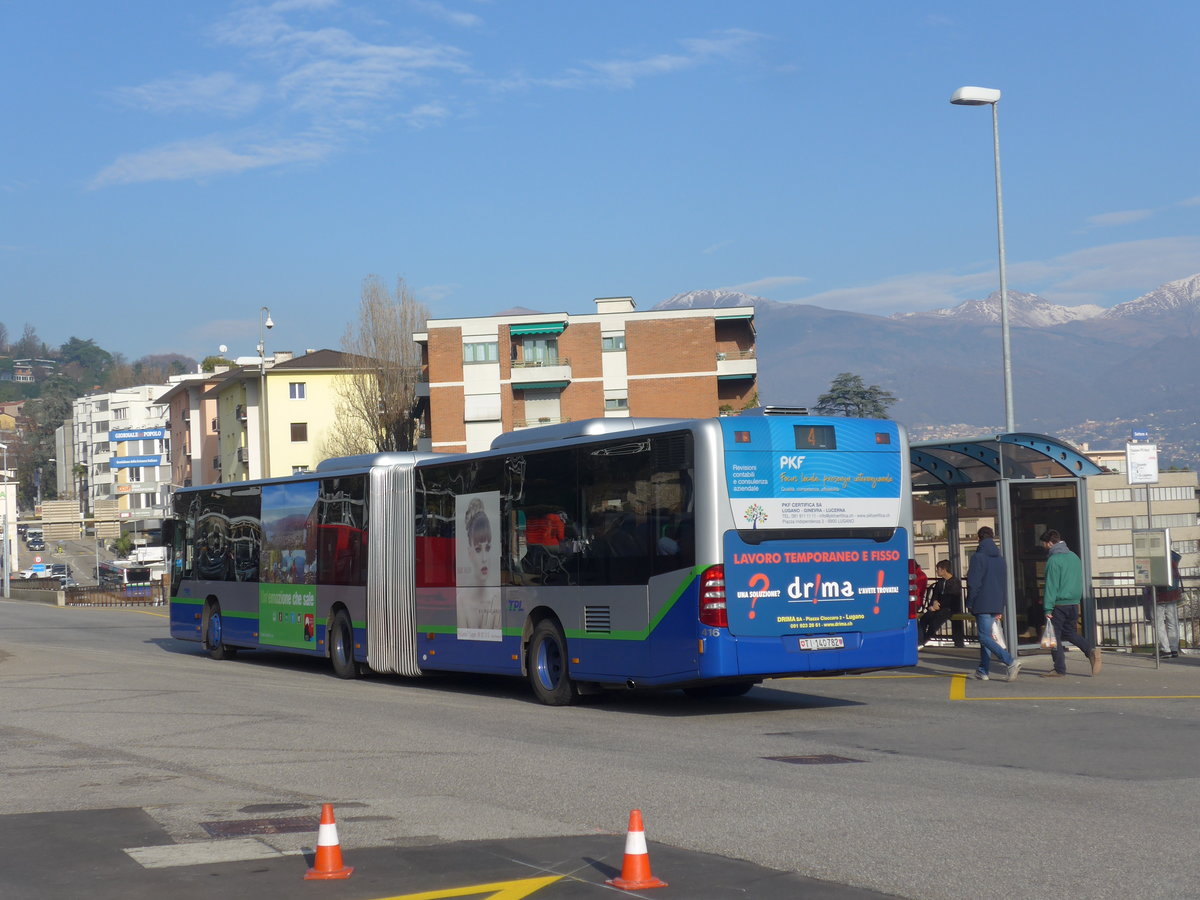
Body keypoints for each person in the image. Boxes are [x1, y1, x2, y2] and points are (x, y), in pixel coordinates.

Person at [1039, 528, 1101, 677]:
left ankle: (1059, 668)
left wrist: (1047, 608)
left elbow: (1051, 586)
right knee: (1070, 632)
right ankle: (1090, 650)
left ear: (1049, 543)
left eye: (1044, 544)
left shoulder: (1054, 560)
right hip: (1073, 602)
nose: (1044, 547)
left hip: (1059, 604)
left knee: (1054, 637)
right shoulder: (1074, 557)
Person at [966, 526, 1020, 681]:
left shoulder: (978, 557)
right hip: (996, 602)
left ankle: (1010, 661)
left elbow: (974, 583)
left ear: (979, 538)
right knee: (987, 637)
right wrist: (1001, 604)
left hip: (982, 602)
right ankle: (983, 670)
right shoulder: (1000, 559)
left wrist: (970, 601)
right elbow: (1003, 583)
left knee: (984, 637)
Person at [1146, 550, 1183, 659]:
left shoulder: (1155, 557)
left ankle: (1165, 649)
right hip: (1172, 593)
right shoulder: (1174, 558)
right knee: (1172, 621)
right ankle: (1174, 649)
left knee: (1158, 622)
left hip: (1158, 594)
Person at [919, 560, 961, 647]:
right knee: (924, 619)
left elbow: (951, 598)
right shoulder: (940, 582)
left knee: (935, 623)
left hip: (949, 609)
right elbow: (935, 595)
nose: (937, 571)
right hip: (938, 608)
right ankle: (919, 639)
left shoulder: (955, 582)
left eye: (938, 569)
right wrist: (933, 603)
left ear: (944, 570)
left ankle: (922, 641)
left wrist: (938, 606)